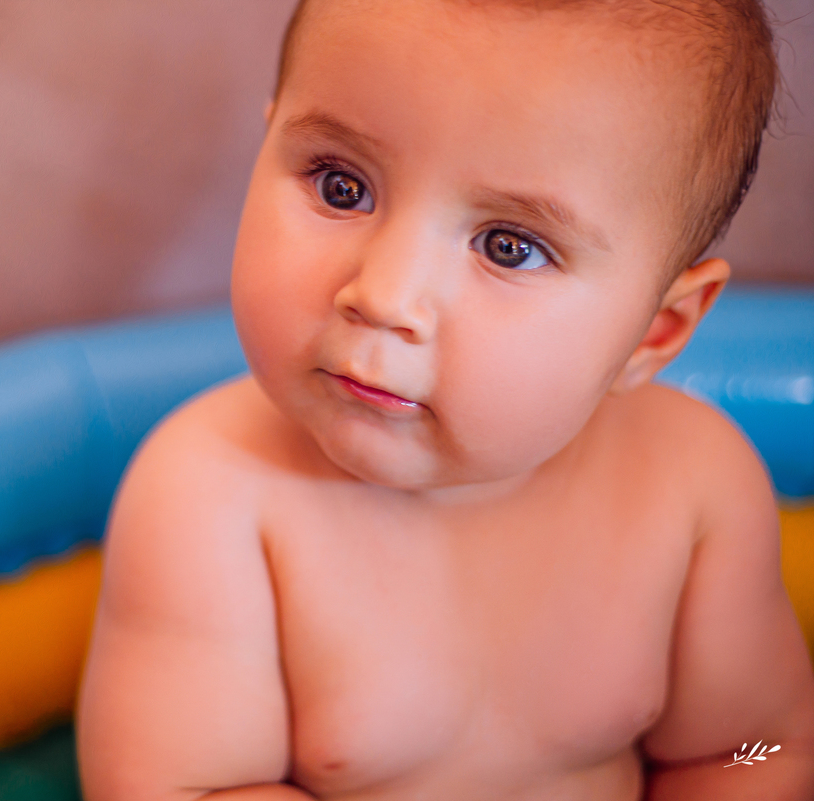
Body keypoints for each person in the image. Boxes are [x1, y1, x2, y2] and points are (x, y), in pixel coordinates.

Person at [76, 0, 814, 798]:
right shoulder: (212, 495)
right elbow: (183, 788)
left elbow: (755, 748)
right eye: (342, 186)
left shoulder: (692, 488)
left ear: (654, 333)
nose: (384, 295)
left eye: (509, 246)